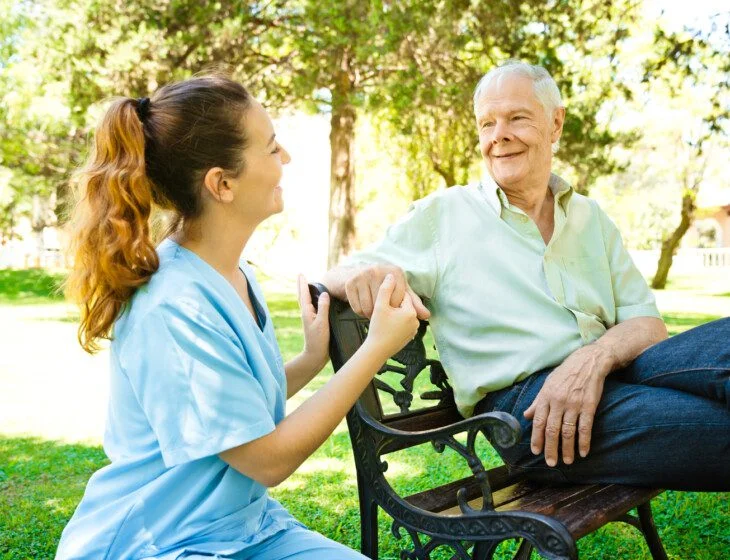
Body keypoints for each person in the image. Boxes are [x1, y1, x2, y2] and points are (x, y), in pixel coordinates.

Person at [57, 74, 419, 560]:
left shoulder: (232, 274)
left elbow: (232, 411)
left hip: (244, 530)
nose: (285, 158)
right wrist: (376, 349)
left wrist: (311, 359)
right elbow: (266, 459)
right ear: (222, 184)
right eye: (271, 148)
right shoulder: (173, 305)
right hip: (162, 542)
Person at [322, 61, 730, 491]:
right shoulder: (443, 215)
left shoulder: (591, 217)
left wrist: (592, 359)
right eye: (487, 124)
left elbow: (647, 324)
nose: (499, 135)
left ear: (555, 124)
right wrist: (372, 271)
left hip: (613, 369)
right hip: (533, 413)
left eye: (517, 118)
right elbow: (338, 274)